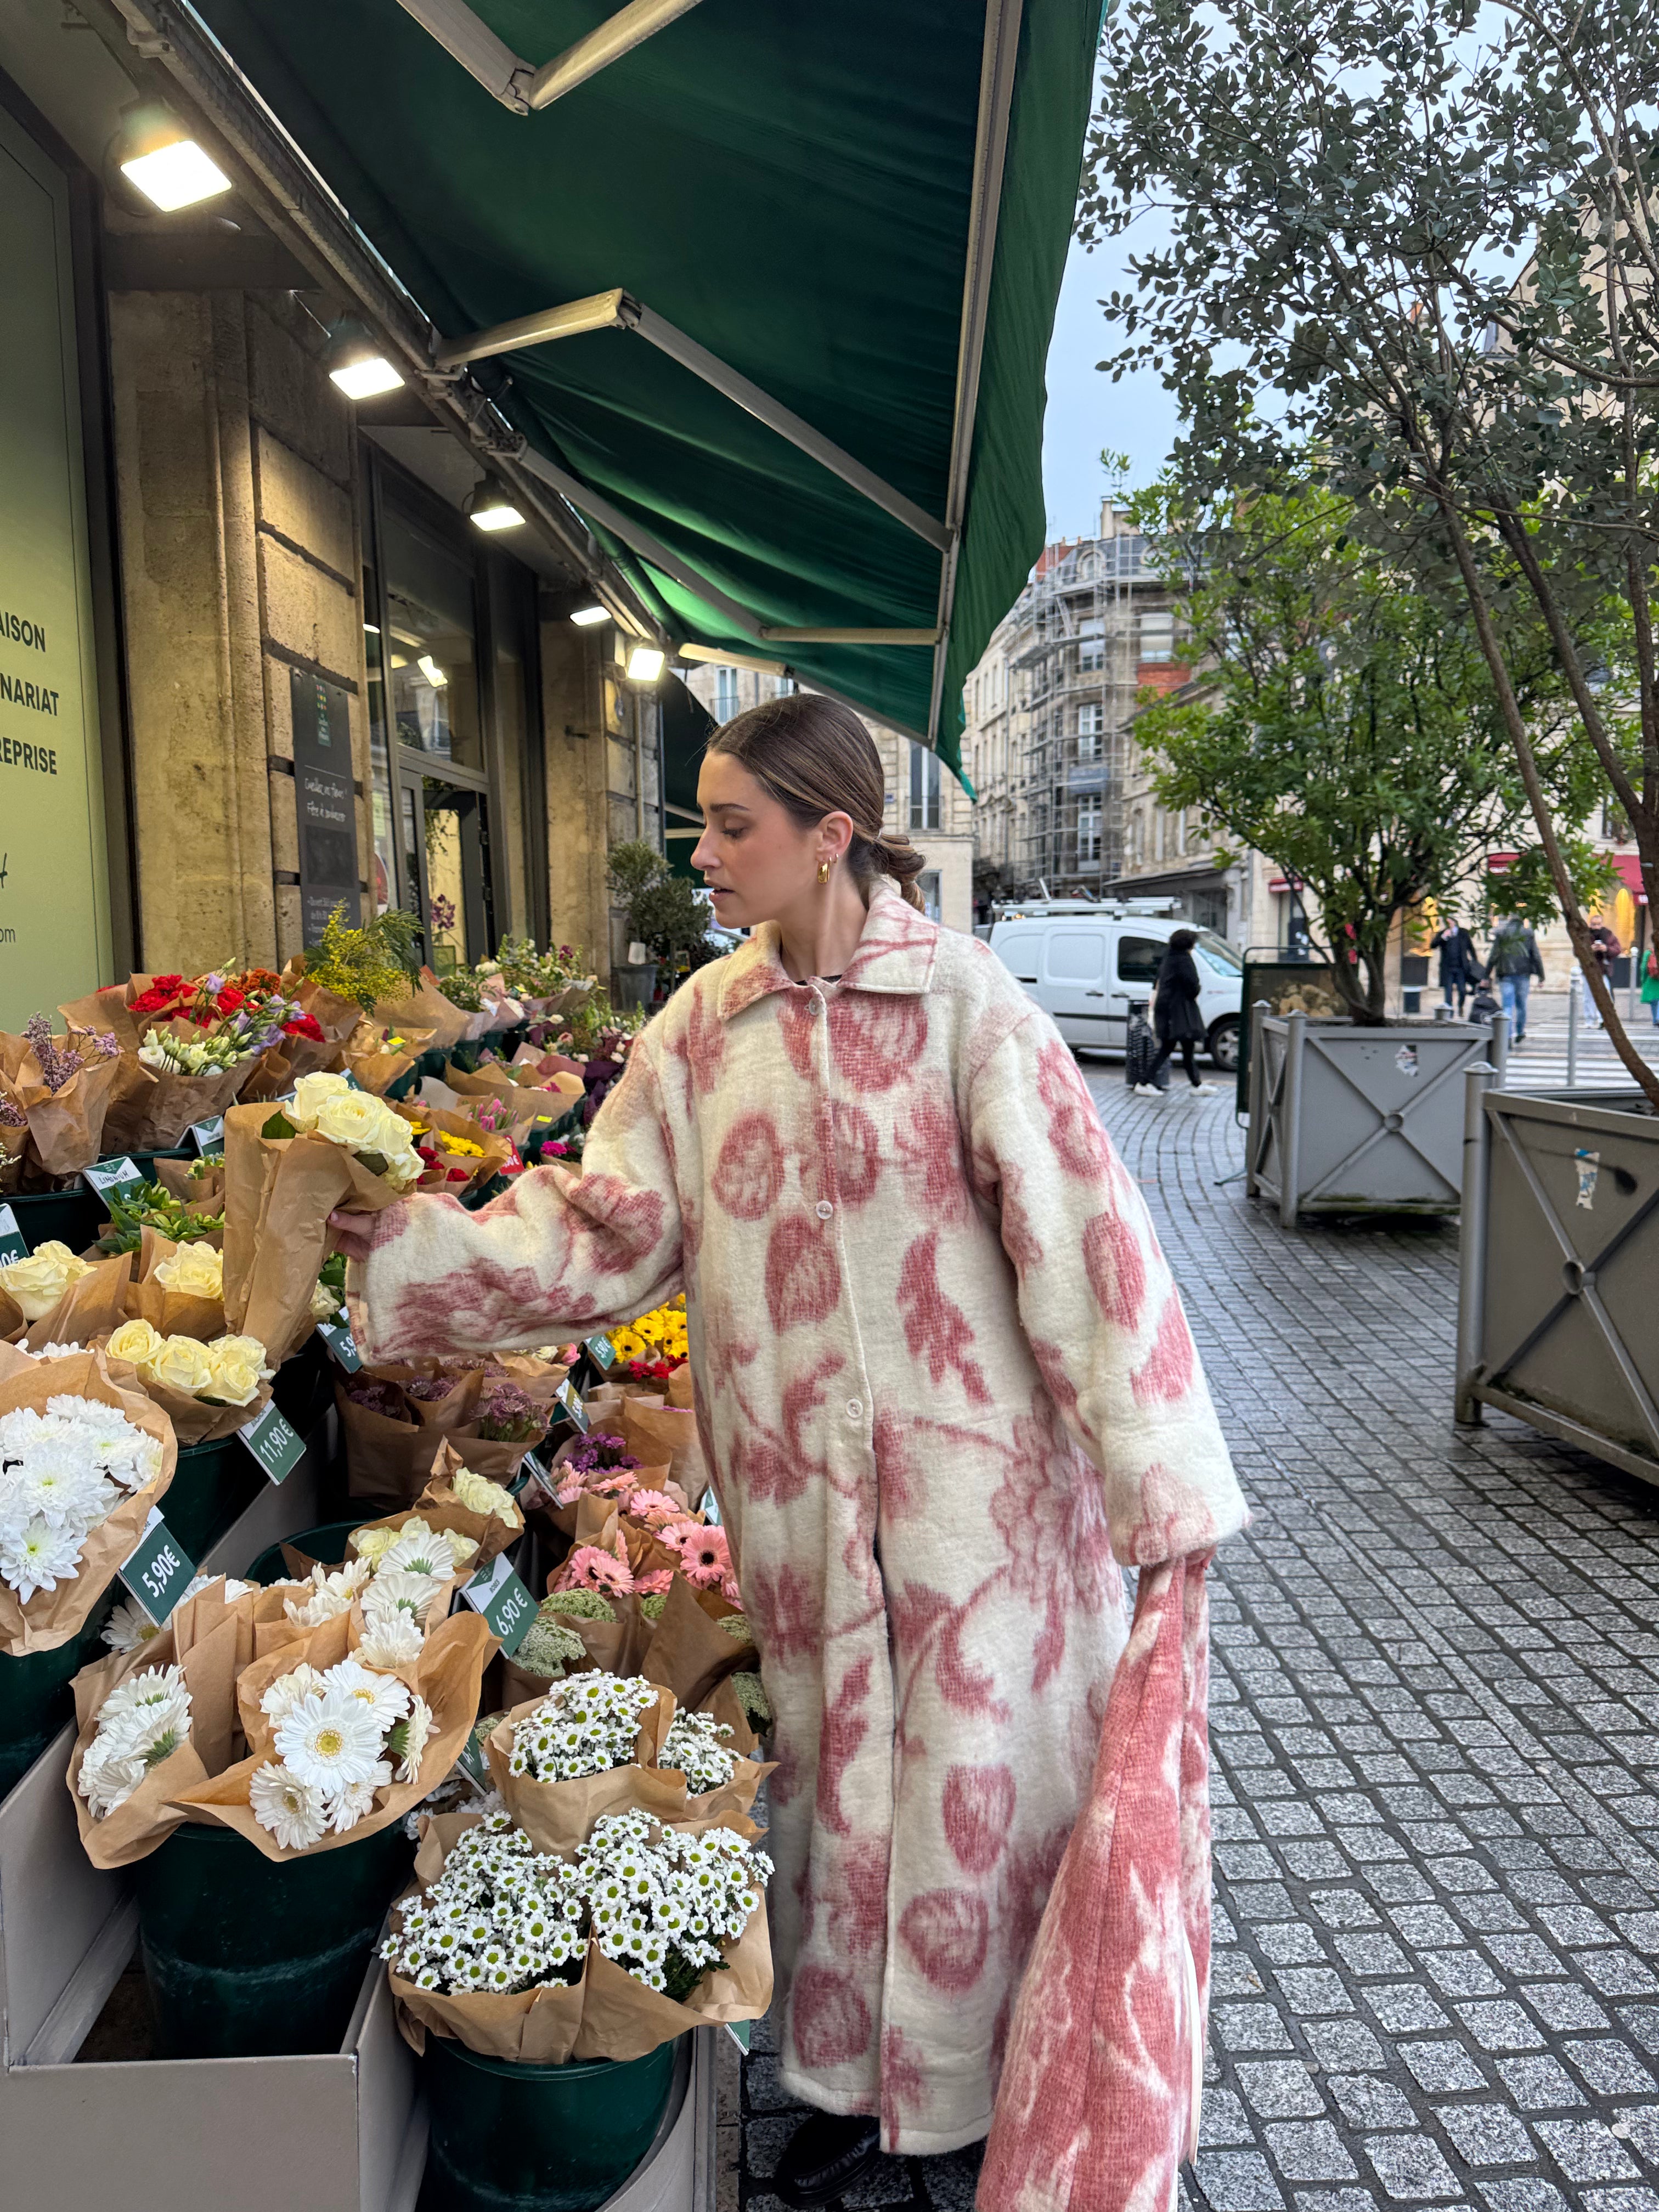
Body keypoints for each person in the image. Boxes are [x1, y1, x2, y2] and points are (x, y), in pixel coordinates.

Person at [331, 694, 1245, 2196]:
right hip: (796, 1517)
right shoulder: (703, 1033)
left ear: (831, 837)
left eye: (731, 824)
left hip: (984, 1528)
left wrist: (1160, 1492)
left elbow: (1090, 1248)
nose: (703, 852)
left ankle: (970, 2092)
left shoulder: (967, 1008)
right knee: (829, 1796)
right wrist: (413, 1257)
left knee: (980, 1800)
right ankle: (843, 2083)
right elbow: (602, 1227)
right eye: (699, 821)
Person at [1135, 928, 1216, 1096]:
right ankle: (1144, 1082)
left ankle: (1196, 1084)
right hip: (1179, 1012)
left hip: (1167, 1010)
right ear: (1189, 944)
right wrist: (1196, 990)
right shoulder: (1184, 960)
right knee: (1175, 1048)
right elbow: (1193, 985)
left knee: (1181, 1048)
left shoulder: (1169, 958)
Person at [1487, 912, 1545, 1042]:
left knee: (1507, 1005)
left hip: (1505, 974)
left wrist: (1486, 975)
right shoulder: (1528, 933)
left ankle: (1507, 1035)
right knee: (1521, 1005)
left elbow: (1494, 955)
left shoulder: (1502, 933)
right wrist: (1541, 976)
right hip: (1523, 974)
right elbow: (1536, 955)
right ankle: (1520, 1031)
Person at [1435, 917, 1481, 1015]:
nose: (1449, 925)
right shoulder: (1443, 934)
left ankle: (1461, 1006)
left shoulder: (1463, 934)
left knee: (1462, 990)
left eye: (1451, 922)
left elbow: (1471, 948)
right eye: (1447, 923)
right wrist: (1443, 937)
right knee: (1448, 992)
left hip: (1461, 968)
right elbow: (1433, 945)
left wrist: (1475, 962)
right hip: (1448, 968)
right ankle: (1449, 1012)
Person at [1643, 944, 1659, 1029]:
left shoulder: (1649, 952)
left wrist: (1644, 980)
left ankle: (1655, 1019)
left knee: (1654, 1000)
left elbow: (1643, 968)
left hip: (1652, 978)